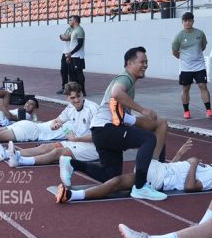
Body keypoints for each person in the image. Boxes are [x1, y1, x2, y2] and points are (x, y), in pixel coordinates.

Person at [64, 47, 168, 200]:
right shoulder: (125, 78)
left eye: (147, 62)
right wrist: (143, 109)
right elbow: (116, 93)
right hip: (107, 129)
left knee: (110, 176)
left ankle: (72, 164)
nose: (145, 65)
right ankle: (140, 186)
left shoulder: (129, 84)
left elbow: (124, 116)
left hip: (101, 133)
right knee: (148, 138)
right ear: (129, 63)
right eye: (142, 62)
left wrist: (149, 124)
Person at [55, 138, 212, 203]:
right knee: (114, 181)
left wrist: (193, 163)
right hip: (161, 170)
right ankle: (73, 165)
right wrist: (180, 154)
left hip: (159, 178)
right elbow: (177, 169)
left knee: (154, 136)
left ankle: (72, 195)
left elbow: (190, 187)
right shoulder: (208, 167)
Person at [0, 84, 96, 165]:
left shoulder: (92, 109)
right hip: (77, 141)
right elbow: (58, 121)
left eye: (79, 96)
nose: (77, 100)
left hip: (93, 147)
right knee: (46, 146)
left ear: (82, 94)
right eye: (73, 98)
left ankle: (21, 161)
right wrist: (56, 125)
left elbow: (99, 136)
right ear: (67, 98)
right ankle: (8, 154)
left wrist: (74, 139)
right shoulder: (70, 108)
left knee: (57, 153)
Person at [171, 12, 212, 120]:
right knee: (186, 88)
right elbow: (175, 51)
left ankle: (208, 110)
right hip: (186, 67)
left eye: (189, 20)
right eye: (185, 21)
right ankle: (186, 111)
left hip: (199, 66)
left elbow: (203, 47)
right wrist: (185, 59)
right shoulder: (179, 36)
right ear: (182, 22)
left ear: (193, 21)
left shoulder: (200, 33)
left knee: (203, 86)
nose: (187, 23)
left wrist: (196, 56)